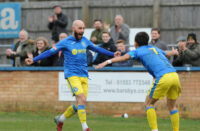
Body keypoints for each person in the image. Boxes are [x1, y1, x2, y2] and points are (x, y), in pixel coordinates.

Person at [25, 20, 119, 131]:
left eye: (83, 28)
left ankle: (61, 119)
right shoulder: (65, 42)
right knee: (81, 98)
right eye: (80, 28)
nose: (82, 31)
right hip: (72, 74)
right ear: (74, 29)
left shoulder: (85, 40)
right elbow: (50, 52)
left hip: (84, 74)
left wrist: (112, 54)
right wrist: (34, 59)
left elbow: (97, 49)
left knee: (80, 102)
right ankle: (85, 127)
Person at [96, 32, 181, 131]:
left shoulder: (138, 51)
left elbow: (123, 58)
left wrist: (107, 62)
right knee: (172, 106)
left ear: (135, 43)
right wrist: (174, 52)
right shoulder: (153, 48)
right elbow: (167, 53)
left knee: (149, 104)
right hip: (174, 76)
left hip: (163, 77)